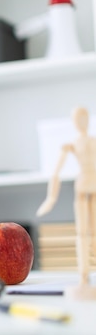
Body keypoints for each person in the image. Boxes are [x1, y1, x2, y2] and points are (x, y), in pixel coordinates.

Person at [37, 107, 96, 289]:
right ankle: (84, 275)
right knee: (81, 232)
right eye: (77, 119)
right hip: (83, 186)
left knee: (93, 231)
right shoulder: (72, 144)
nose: (81, 122)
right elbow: (56, 171)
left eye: (83, 118)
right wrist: (51, 198)